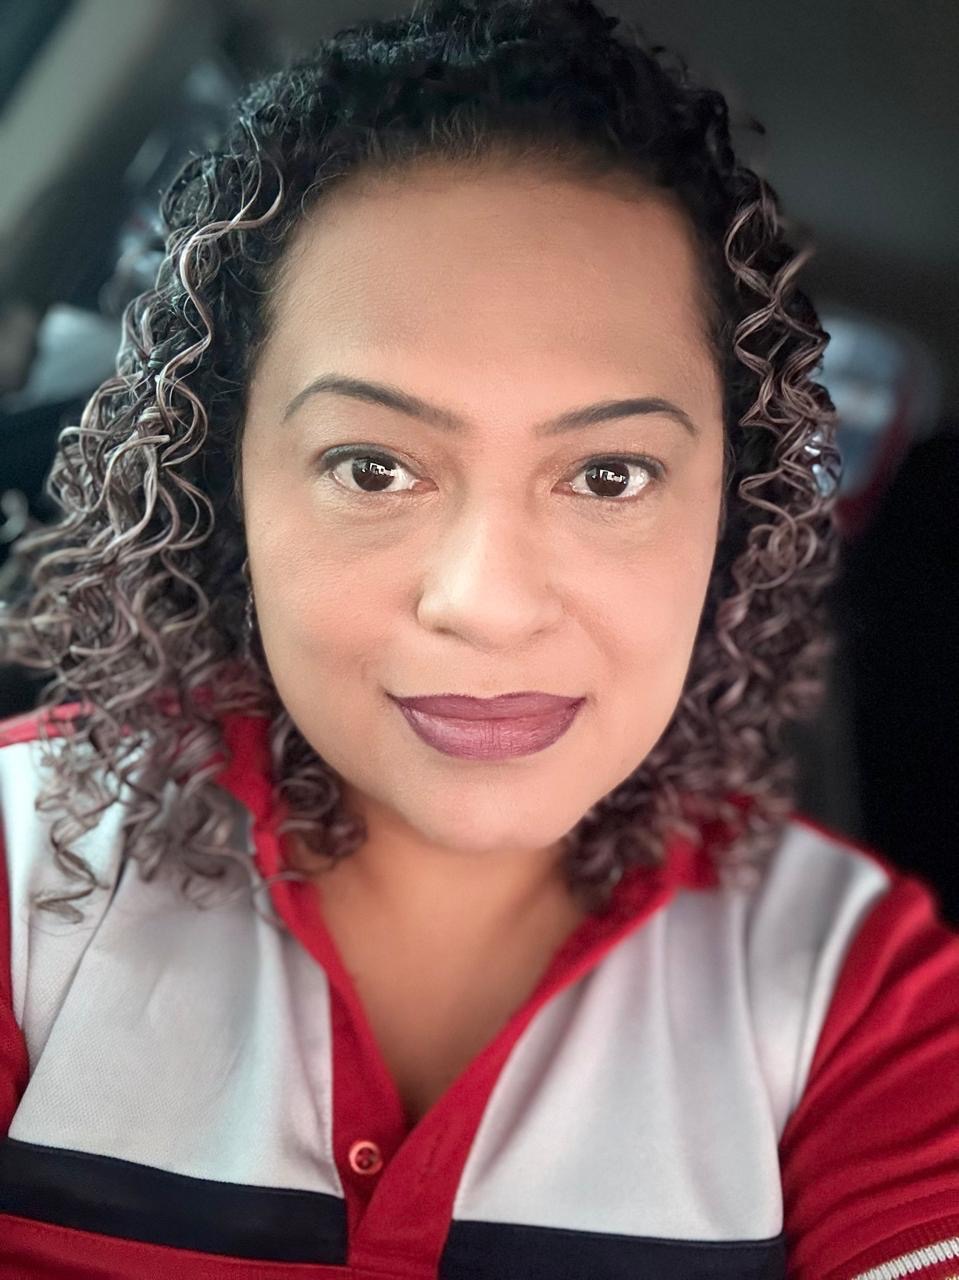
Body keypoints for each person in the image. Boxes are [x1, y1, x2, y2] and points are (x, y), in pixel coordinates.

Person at [0, 0, 956, 1275]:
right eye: (372, 466)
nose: (488, 601)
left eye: (609, 475)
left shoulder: (858, 980)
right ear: (228, 487)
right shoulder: (22, 865)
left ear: (732, 513)